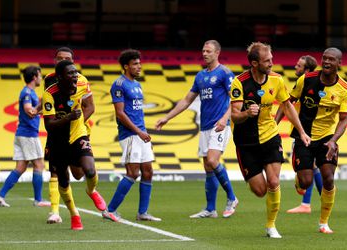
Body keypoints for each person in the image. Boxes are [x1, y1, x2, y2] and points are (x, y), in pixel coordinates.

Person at [230, 42, 310, 238]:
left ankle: (271, 225)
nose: (272, 64)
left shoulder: (277, 80)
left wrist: (301, 131)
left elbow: (288, 106)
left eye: (272, 59)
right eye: (267, 61)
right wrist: (247, 113)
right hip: (245, 142)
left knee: (274, 182)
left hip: (270, 136)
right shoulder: (239, 83)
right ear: (255, 63)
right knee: (260, 191)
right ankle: (266, 205)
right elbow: (234, 115)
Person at [156, 40, 239, 219]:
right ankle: (210, 209)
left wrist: (225, 119)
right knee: (208, 167)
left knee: (212, 160)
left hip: (220, 125)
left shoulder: (225, 73)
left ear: (218, 52)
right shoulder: (200, 76)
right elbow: (187, 101)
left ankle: (232, 198)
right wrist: (167, 117)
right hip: (205, 127)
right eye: (203, 50)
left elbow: (236, 100)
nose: (204, 53)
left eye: (208, 51)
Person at [289, 47, 347, 234]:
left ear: (339, 64)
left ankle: (323, 223)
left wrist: (334, 140)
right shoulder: (306, 79)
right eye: (324, 58)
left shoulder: (345, 89)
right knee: (306, 182)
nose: (326, 62)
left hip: (327, 138)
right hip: (304, 135)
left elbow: (343, 119)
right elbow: (288, 102)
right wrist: (275, 126)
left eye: (331, 59)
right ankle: (299, 178)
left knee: (329, 178)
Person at [42, 60, 107, 230]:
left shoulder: (82, 83)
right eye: (70, 73)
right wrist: (68, 118)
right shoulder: (50, 94)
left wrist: (78, 122)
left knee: (90, 170)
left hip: (78, 135)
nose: (74, 76)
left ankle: (91, 191)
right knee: (63, 180)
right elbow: (48, 125)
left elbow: (90, 105)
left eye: (75, 72)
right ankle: (74, 214)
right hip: (58, 141)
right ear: (60, 77)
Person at [102, 49, 161, 222]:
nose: (139, 66)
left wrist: (144, 133)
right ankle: (110, 209)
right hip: (130, 135)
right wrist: (138, 132)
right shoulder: (119, 85)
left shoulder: (137, 85)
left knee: (148, 172)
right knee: (133, 172)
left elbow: (136, 112)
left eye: (139, 63)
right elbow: (120, 113)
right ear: (126, 66)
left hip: (141, 134)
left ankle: (143, 213)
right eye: (135, 64)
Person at [0, 66, 50, 208]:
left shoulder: (30, 92)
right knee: (39, 165)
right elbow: (29, 111)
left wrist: (43, 105)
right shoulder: (27, 93)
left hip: (22, 133)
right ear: (34, 77)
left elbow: (33, 110)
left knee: (21, 167)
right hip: (28, 134)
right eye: (39, 75)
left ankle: (0, 196)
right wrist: (41, 107)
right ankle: (38, 200)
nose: (41, 78)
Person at [275, 55, 323, 214]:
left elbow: (287, 103)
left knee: (306, 168)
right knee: (313, 167)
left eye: (299, 65)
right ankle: (312, 201)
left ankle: (307, 202)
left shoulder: (305, 82)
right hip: (314, 131)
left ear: (307, 70)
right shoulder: (308, 82)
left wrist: (275, 123)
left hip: (305, 133)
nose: (295, 67)